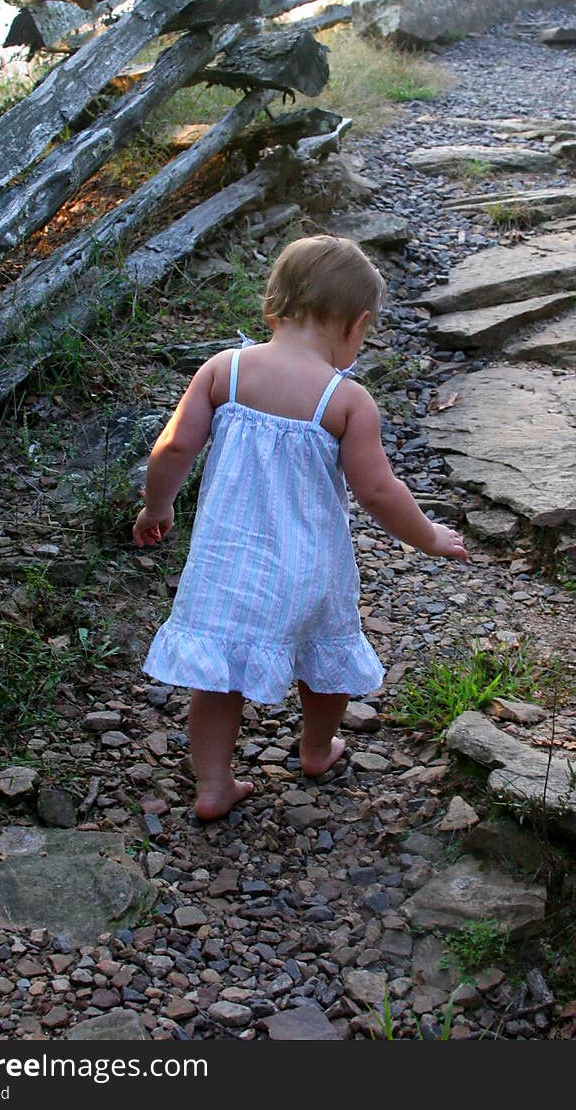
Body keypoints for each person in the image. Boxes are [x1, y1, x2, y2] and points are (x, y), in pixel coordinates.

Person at [132, 234, 468, 820]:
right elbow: (378, 491)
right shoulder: (346, 399)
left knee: (217, 676)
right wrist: (430, 537)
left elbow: (176, 445)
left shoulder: (224, 371)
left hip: (227, 560)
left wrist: (157, 507)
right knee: (325, 657)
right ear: (357, 324)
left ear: (273, 307)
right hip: (311, 564)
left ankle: (213, 785)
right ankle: (316, 750)